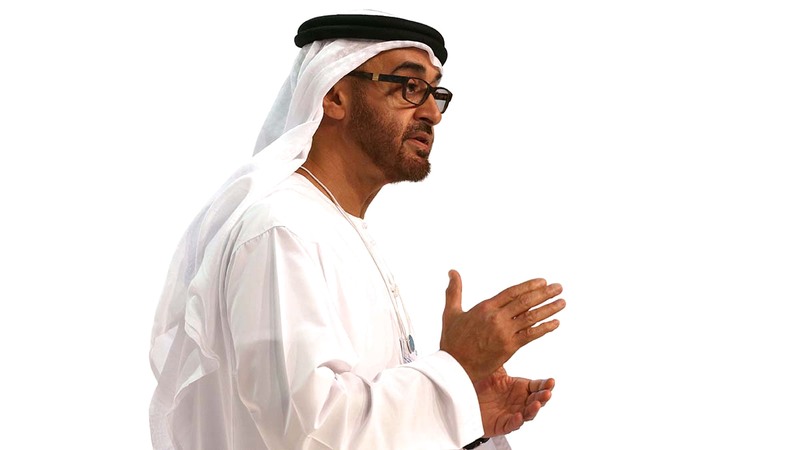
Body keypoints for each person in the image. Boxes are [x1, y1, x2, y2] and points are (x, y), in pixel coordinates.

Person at [149, 11, 566, 450]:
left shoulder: (337, 230)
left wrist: (458, 413)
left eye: (435, 93)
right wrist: (453, 369)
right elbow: (309, 432)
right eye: (410, 87)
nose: (432, 113)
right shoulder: (282, 231)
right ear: (334, 95)